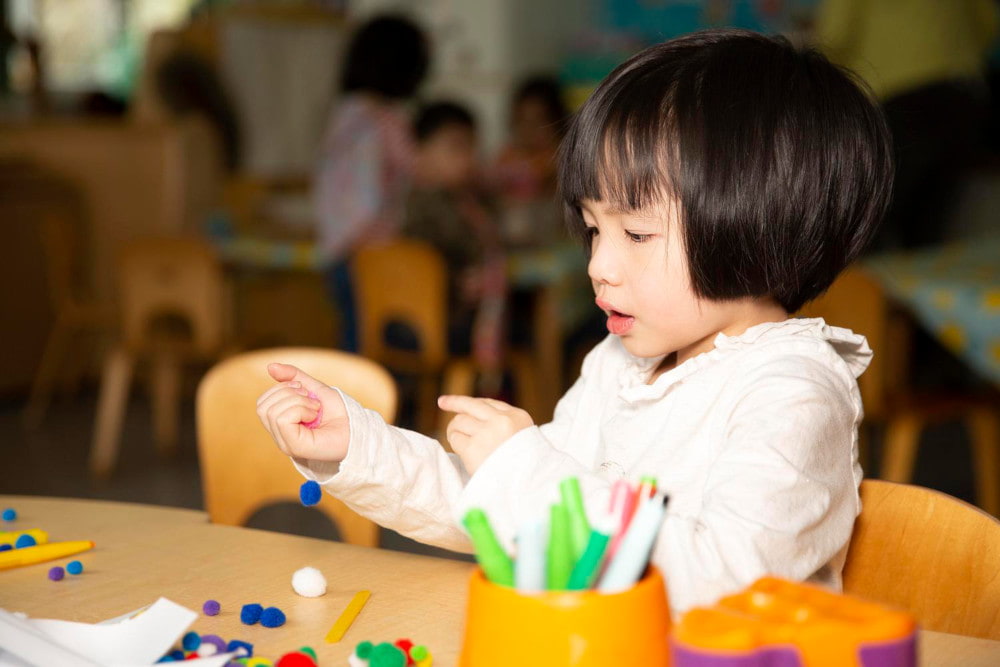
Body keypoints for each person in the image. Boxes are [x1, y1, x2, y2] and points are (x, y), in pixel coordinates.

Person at [257, 29, 893, 614]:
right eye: (593, 229)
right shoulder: (618, 364)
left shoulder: (791, 392)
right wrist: (359, 445)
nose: (599, 265)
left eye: (636, 233)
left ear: (761, 229)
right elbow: (501, 508)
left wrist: (525, 471)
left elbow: (726, 589)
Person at [816, 0, 998, 250]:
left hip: (902, 93)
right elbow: (989, 25)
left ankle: (857, 286)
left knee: (869, 217)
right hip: (963, 95)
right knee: (931, 219)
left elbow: (834, 39)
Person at [313, 15, 429, 351]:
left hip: (337, 249)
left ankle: (347, 401)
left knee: (354, 337)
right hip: (376, 250)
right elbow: (420, 170)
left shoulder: (343, 113)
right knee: (383, 341)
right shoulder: (387, 120)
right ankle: (377, 402)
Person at [401, 101, 507, 374]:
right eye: (456, 147)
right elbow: (428, 258)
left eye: (472, 147)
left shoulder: (467, 199)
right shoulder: (425, 205)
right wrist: (459, 281)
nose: (468, 157)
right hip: (442, 319)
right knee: (523, 333)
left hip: (421, 322)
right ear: (420, 153)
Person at [491, 75, 568, 246]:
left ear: (556, 123)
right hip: (513, 241)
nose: (527, 130)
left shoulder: (558, 158)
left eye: (537, 122)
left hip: (550, 239)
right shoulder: (508, 155)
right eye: (521, 121)